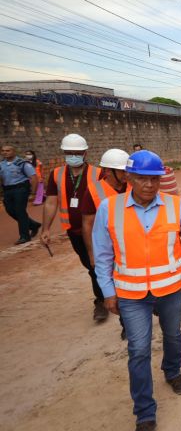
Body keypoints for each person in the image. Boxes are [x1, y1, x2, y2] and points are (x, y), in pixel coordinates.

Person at [92, 150, 181, 431]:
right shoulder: (110, 208)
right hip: (131, 295)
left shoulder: (174, 205)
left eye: (154, 179)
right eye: (141, 178)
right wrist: (107, 291)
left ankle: (172, 371)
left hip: (169, 289)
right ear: (128, 178)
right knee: (139, 350)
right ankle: (145, 415)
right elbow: (103, 255)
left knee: (172, 334)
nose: (148, 184)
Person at [40, 134, 106, 320]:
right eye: (69, 153)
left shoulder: (98, 173)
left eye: (76, 153)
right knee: (91, 265)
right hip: (74, 231)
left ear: (85, 153)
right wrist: (45, 229)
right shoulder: (56, 175)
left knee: (100, 265)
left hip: (98, 230)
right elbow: (51, 202)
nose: (72, 156)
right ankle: (104, 297)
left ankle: (104, 300)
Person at [79, 148, 129, 328]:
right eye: (123, 171)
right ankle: (127, 324)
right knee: (121, 287)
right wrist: (92, 254)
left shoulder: (133, 185)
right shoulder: (93, 192)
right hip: (111, 247)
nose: (127, 174)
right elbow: (88, 224)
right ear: (108, 171)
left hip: (132, 245)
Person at [1, 144, 41, 244]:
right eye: (3, 151)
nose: (5, 152)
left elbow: (33, 178)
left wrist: (33, 193)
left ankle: (24, 236)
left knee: (20, 211)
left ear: (14, 151)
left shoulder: (22, 163)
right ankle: (33, 225)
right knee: (10, 210)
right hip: (7, 190)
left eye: (8, 150)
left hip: (21, 189)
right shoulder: (2, 164)